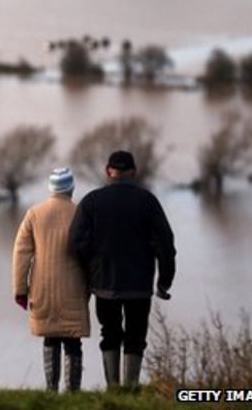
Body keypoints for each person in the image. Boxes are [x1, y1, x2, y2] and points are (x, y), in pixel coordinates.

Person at [68, 150, 176, 389]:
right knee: (136, 336)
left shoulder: (92, 201)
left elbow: (75, 243)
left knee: (110, 334)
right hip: (139, 285)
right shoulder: (147, 201)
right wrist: (164, 281)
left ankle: (114, 388)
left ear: (108, 171)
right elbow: (166, 245)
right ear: (134, 172)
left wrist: (91, 271)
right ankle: (131, 387)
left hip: (104, 284)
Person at [12, 167, 89, 392]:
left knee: (51, 337)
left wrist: (20, 289)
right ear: (71, 188)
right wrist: (93, 285)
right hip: (74, 287)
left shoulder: (34, 214)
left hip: (41, 287)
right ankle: (73, 391)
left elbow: (21, 253)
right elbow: (91, 253)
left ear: (51, 188)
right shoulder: (81, 213)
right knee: (72, 340)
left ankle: (51, 389)